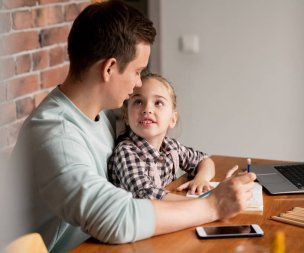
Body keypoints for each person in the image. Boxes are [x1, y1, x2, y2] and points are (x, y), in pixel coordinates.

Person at [9, 1, 256, 252]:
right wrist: (213, 206)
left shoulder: (103, 112)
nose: (138, 83)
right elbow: (116, 219)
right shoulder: (56, 135)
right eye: (137, 71)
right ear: (109, 68)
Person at [108, 73, 215, 201]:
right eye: (138, 101)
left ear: (172, 119)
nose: (147, 109)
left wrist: (201, 178)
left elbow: (204, 160)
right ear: (126, 116)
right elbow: (147, 196)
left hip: (168, 214)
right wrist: (205, 203)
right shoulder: (126, 152)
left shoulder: (171, 147)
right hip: (143, 218)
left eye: (158, 103)